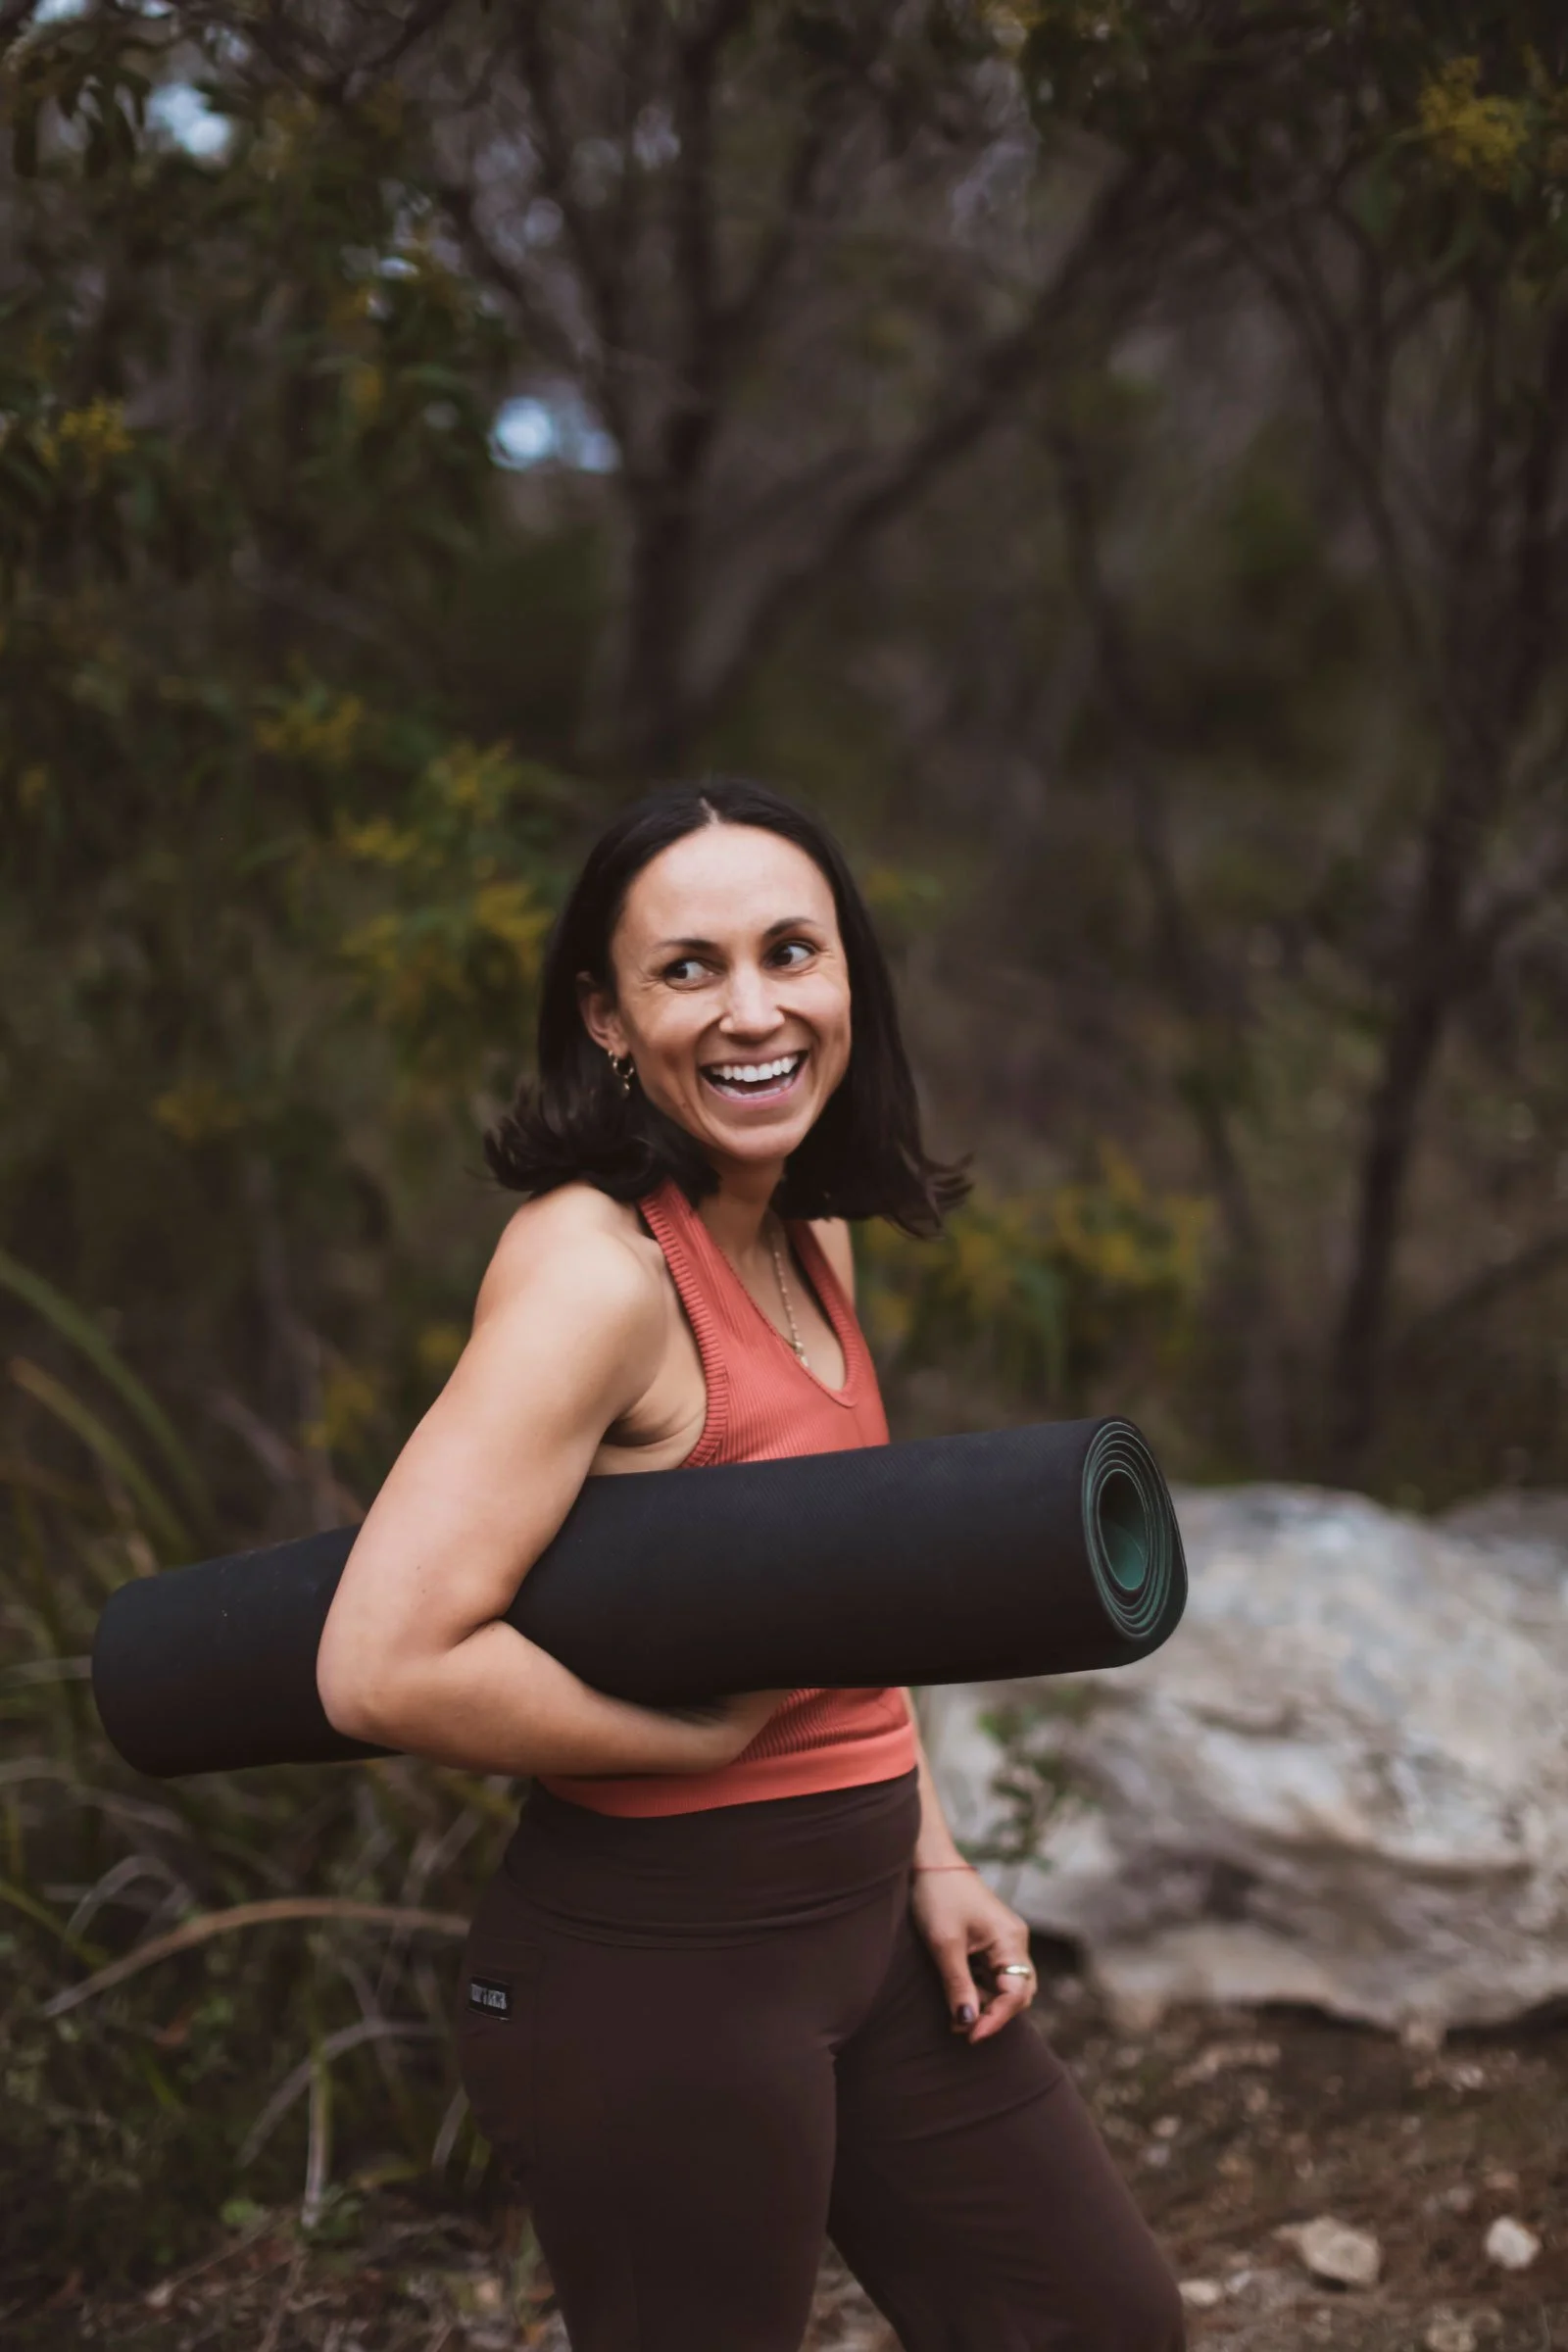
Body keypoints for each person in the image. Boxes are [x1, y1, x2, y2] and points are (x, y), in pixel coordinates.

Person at [317, 779, 1185, 2352]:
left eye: (793, 951)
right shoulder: (595, 1272)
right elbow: (385, 1656)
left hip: (870, 1932)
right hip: (661, 1974)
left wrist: (930, 1855)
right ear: (604, 1014)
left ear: (849, 973)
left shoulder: (806, 1227)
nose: (753, 1010)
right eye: (689, 968)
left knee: (1097, 2324)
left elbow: (849, 1582)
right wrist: (691, 1741)